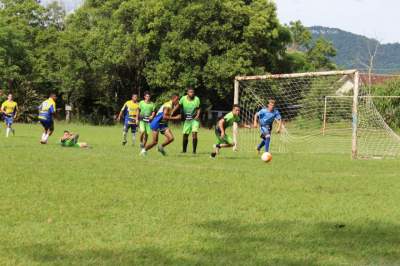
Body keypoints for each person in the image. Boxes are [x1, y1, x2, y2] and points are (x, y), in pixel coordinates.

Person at [174, 87, 201, 154]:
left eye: (193, 92)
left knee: (194, 133)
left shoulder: (196, 99)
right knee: (185, 134)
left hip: (194, 119)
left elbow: (198, 108)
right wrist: (172, 111)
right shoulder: (183, 98)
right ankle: (184, 150)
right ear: (187, 93)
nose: (192, 93)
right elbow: (178, 105)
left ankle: (194, 151)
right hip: (187, 120)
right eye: (190, 92)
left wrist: (197, 115)